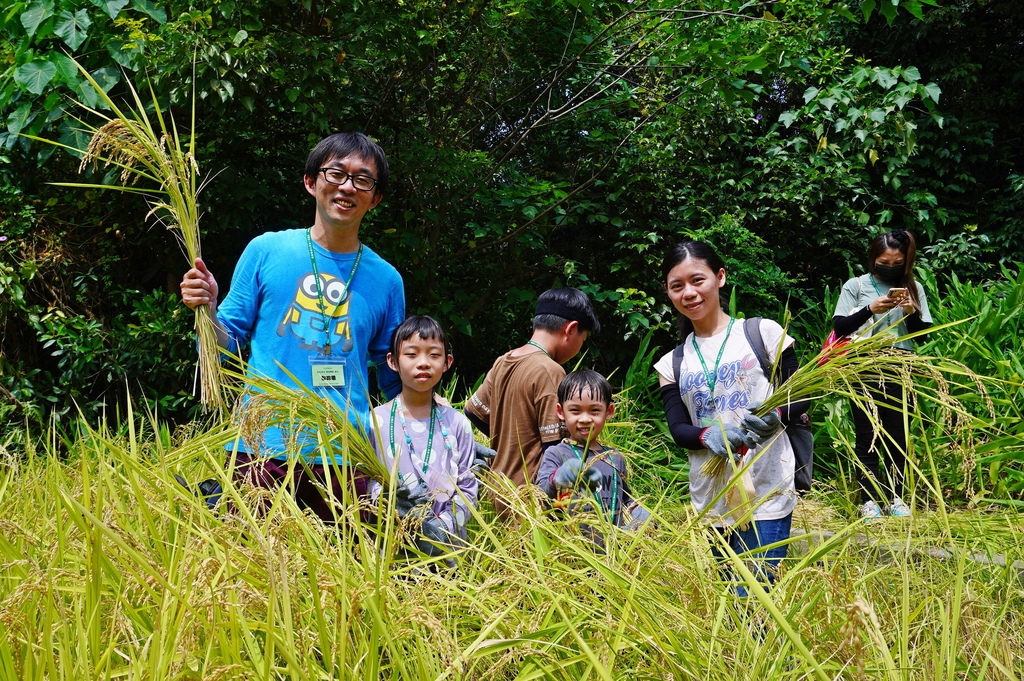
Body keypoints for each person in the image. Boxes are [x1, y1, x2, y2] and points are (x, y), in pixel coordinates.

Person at [179, 132, 405, 522]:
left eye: (362, 179)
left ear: (376, 197)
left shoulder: (387, 280)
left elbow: (394, 377)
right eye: (336, 173)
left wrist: (436, 429)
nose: (347, 187)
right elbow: (225, 344)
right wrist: (208, 310)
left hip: (345, 454)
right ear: (311, 182)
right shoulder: (266, 251)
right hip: (261, 446)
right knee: (249, 567)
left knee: (345, 573)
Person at [653, 241, 808, 591]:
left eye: (698, 280)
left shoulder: (763, 332)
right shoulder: (671, 363)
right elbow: (678, 429)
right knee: (731, 600)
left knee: (752, 595)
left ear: (720, 277)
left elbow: (802, 393)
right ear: (668, 292)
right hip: (712, 497)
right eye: (677, 286)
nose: (689, 293)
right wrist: (708, 436)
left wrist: (777, 416)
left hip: (766, 488)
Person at [465, 288, 600, 514]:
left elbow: (473, 412)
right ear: (571, 329)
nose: (579, 349)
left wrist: (509, 442)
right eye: (582, 340)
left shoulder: (504, 360)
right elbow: (555, 448)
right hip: (531, 500)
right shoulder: (550, 371)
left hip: (497, 491)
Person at [832, 228, 932, 520]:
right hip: (863, 364)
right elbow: (840, 327)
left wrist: (911, 311)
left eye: (896, 262)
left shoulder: (914, 287)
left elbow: (922, 335)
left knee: (898, 435)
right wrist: (869, 309)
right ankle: (868, 499)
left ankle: (896, 498)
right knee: (867, 434)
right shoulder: (856, 285)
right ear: (873, 257)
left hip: (901, 365)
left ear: (907, 260)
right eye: (883, 261)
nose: (889, 267)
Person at [368, 316, 477, 560]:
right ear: (392, 361)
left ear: (447, 362)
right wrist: (388, 504)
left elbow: (468, 487)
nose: (424, 363)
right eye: (412, 354)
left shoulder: (458, 423)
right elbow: (366, 481)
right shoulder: (375, 422)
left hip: (448, 552)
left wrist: (442, 528)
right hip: (391, 550)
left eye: (434, 355)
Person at [535, 370, 650, 544]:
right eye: (575, 410)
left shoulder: (614, 458)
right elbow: (540, 495)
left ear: (609, 411)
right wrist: (558, 478)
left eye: (595, 411)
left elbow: (624, 497)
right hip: (573, 554)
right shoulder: (556, 453)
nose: (585, 419)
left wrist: (639, 512)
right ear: (560, 411)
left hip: (615, 552)